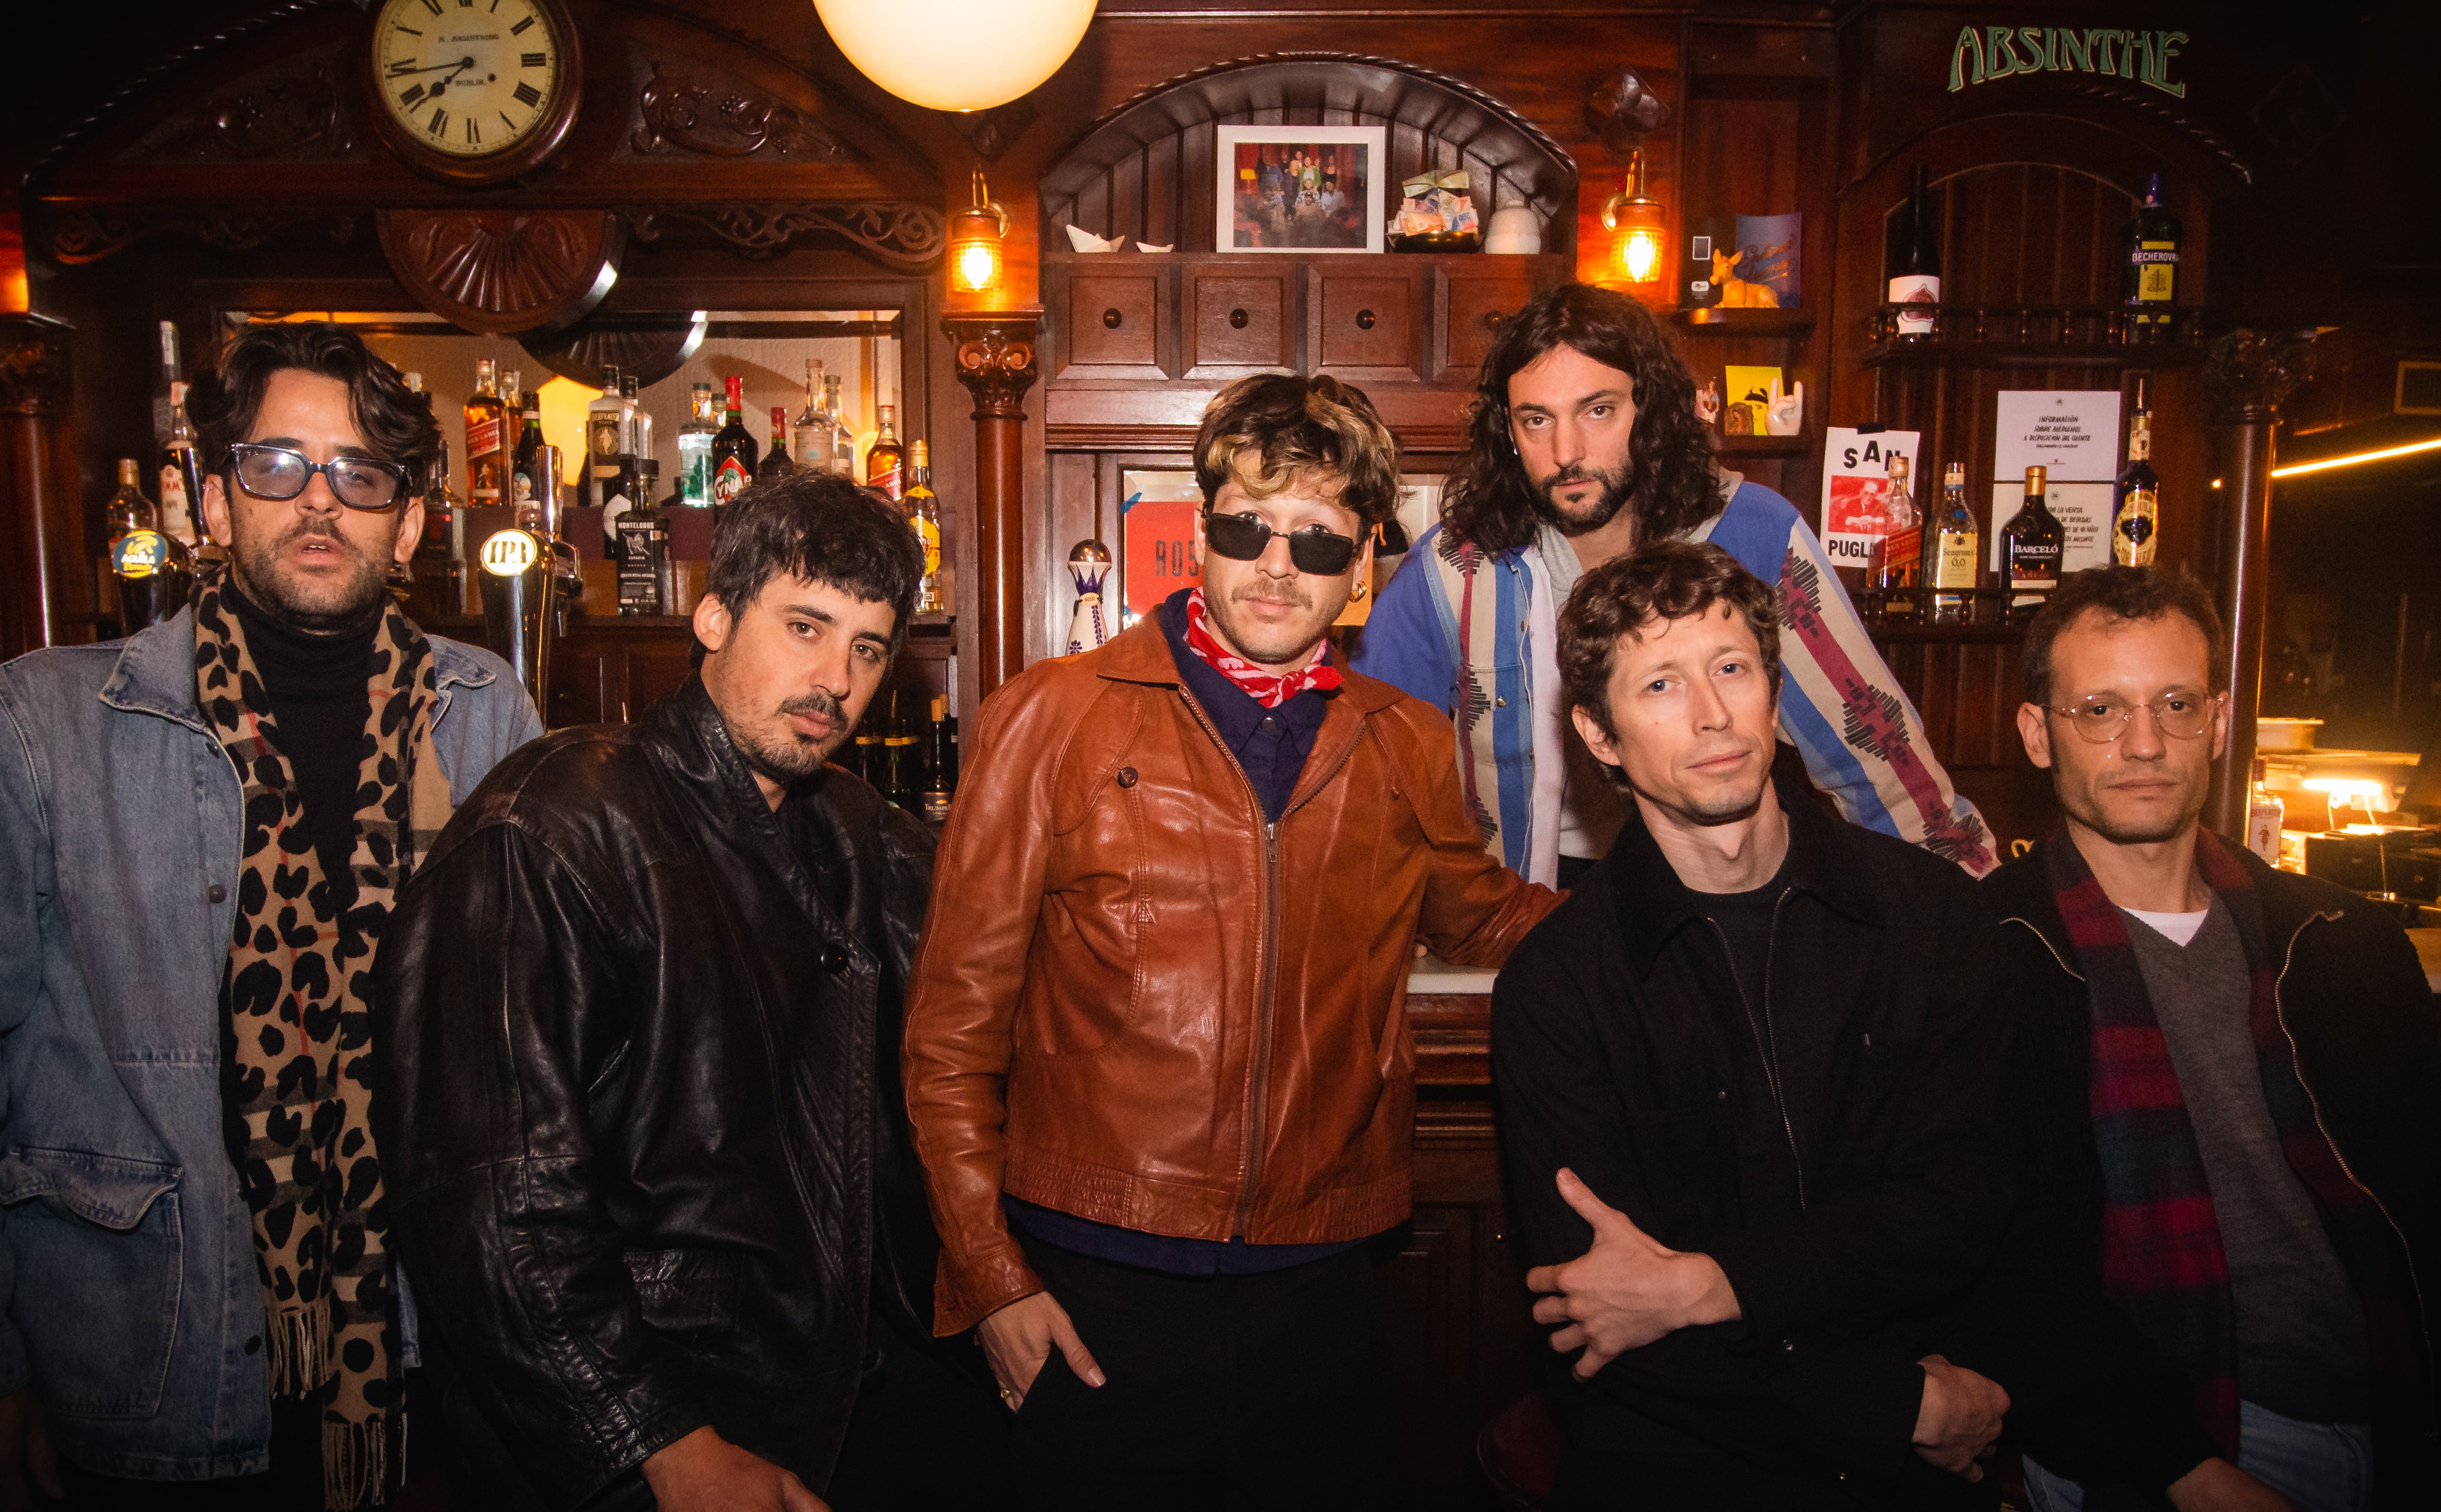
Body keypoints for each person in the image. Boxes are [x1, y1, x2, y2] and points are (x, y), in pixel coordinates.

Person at [903, 372, 1562, 1507]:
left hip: (1320, 1283)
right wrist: (994, 1283)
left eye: (1315, 540)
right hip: (1094, 1275)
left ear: (1361, 571)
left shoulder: (1402, 741)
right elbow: (950, 1036)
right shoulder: (1052, 715)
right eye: (1247, 524)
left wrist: (1692, 904)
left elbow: (1491, 913)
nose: (1274, 562)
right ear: (1201, 532)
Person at [372, 472, 1010, 1512]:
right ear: (713, 616)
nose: (833, 678)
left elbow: (997, 999)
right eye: (804, 625)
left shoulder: (852, 830)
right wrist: (658, 1439)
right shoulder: (551, 828)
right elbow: (497, 1198)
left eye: (865, 647)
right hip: (644, 1415)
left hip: (834, 1377)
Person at [0, 321, 541, 1510]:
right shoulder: (48, 722)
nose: (317, 502)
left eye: (360, 474)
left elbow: (526, 1036)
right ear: (208, 497)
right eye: (276, 464)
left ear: (407, 523)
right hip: (141, 1346)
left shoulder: (484, 707)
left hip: (419, 1351)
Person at [1492, 540, 2018, 1509]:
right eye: (1659, 685)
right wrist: (1891, 1405)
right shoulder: (1558, 984)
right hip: (1685, 1466)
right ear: (1599, 737)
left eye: (1731, 668)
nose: (1711, 714)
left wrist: (1710, 1284)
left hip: (1921, 1473)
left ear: (1774, 694)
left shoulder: (1935, 917)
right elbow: (1599, 1321)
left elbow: (1967, 1210)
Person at [1975, 566, 2437, 1512]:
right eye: (2100, 709)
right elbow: (2009, 1273)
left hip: (2391, 1407)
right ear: (2036, 734)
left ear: (2220, 722)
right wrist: (2191, 1473)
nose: (2143, 744)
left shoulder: (2346, 943)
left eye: (2176, 704)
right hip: (2158, 1444)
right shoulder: (1986, 961)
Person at [1352, 281, 1994, 886]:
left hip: (1726, 893)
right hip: (1528, 906)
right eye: (1537, 421)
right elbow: (1370, 769)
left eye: (1597, 410)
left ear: (1649, 408)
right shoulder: (1456, 567)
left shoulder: (1754, 535)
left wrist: (1973, 923)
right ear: (1508, 432)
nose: (1567, 451)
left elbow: (1880, 765)